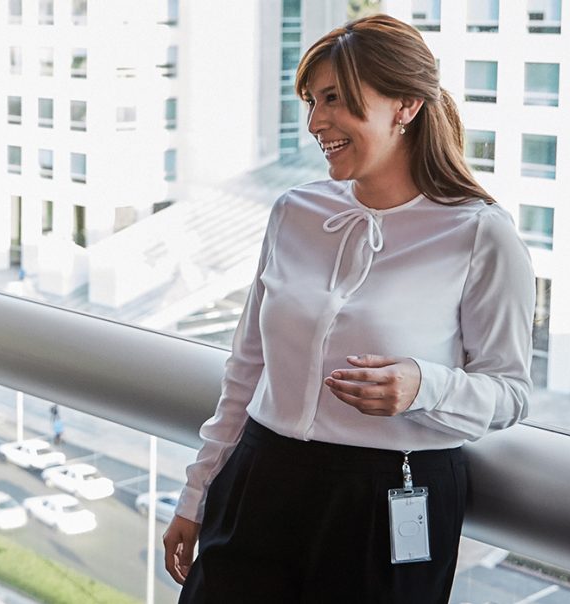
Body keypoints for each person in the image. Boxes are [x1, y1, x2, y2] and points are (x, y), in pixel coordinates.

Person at [161, 14, 533, 603]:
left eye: (334, 99)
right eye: (311, 101)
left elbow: (510, 392)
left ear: (406, 105)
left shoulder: (481, 234)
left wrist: (424, 386)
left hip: (390, 502)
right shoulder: (293, 212)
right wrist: (196, 494)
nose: (316, 122)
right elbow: (246, 371)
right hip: (262, 476)